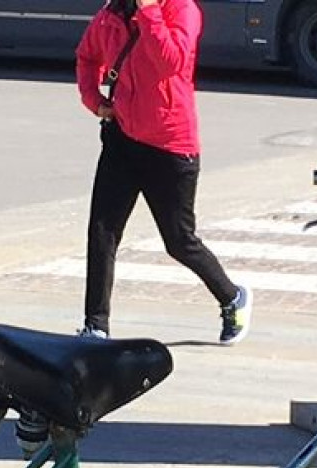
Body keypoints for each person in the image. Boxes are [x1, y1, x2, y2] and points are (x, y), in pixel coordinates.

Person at [74, 0, 249, 344]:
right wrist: (94, 100)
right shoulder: (112, 14)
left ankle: (232, 297)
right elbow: (86, 56)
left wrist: (150, 12)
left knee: (179, 241)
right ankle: (96, 326)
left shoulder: (182, 10)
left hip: (170, 146)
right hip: (123, 139)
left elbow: (172, 62)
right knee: (102, 231)